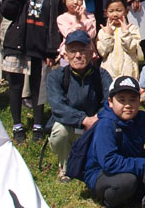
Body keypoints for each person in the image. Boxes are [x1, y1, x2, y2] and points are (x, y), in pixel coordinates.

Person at [0, 0, 64, 144]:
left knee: (38, 87)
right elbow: (6, 11)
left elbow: (56, 25)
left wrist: (52, 51)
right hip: (18, 45)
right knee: (15, 86)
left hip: (40, 47)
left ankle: (37, 124)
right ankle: (17, 125)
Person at [84, 76, 145, 208]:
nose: (128, 105)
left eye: (133, 100)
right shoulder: (106, 124)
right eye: (122, 100)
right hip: (101, 172)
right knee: (127, 181)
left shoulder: (141, 118)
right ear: (110, 102)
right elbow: (109, 162)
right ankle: (111, 203)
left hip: (131, 162)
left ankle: (137, 195)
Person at [44, 30, 111, 181]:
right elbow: (58, 107)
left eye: (82, 50)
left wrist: (97, 118)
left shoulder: (102, 75)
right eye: (73, 51)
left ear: (91, 53)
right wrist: (83, 120)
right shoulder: (56, 76)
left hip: (95, 124)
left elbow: (110, 102)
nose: (78, 55)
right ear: (66, 55)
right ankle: (66, 168)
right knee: (59, 132)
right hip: (70, 125)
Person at [55, 0, 95, 65]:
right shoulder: (62, 18)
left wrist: (83, 17)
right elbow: (70, 35)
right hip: (68, 56)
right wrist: (77, 21)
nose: (76, 2)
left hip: (86, 55)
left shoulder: (90, 17)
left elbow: (91, 34)